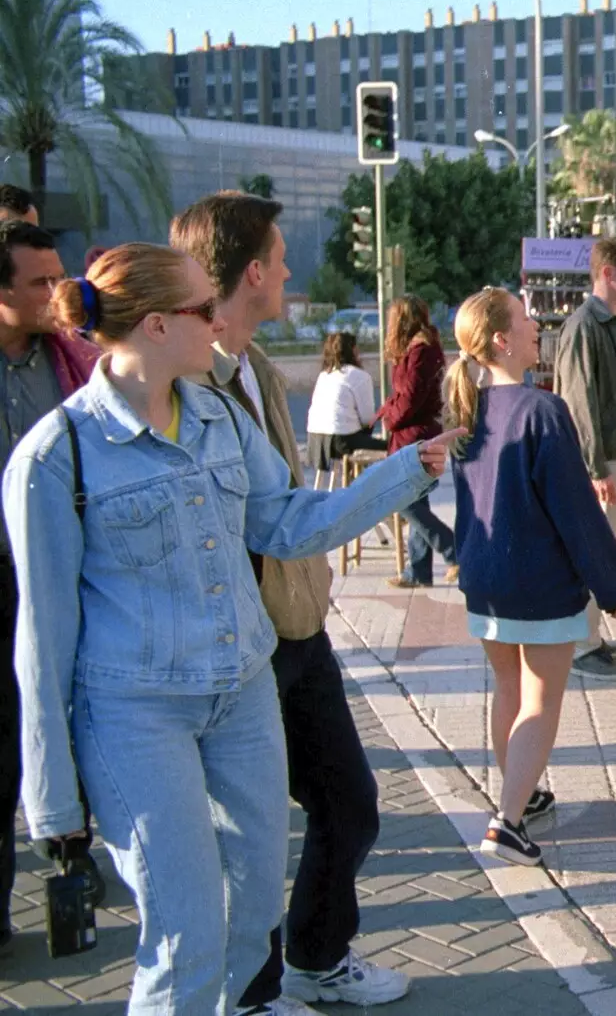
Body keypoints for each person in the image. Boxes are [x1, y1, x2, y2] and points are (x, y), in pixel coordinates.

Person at [4, 242, 458, 1014]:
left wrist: (407, 470)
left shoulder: (216, 414)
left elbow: (287, 521)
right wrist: (52, 804)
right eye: (198, 307)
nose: (216, 319)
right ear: (154, 326)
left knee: (252, 928)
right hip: (136, 716)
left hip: (243, 696)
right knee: (186, 940)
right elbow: (42, 641)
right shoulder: (57, 456)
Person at [171, 191, 410, 1013]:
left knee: (350, 803)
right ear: (252, 272)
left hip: (298, 631)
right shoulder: (185, 385)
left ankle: (315, 954)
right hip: (240, 649)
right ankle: (254, 988)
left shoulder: (259, 368)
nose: (291, 270)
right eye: (279, 255)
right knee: (247, 835)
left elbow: (289, 510)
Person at [445, 288, 616, 865]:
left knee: (509, 690)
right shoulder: (542, 411)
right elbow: (575, 512)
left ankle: (519, 801)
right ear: (502, 340)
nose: (538, 327)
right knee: (541, 700)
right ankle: (506, 821)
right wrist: (615, 589)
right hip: (540, 583)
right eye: (527, 320)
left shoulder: (466, 412)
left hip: (483, 577)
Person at [0, 221, 101, 948]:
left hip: (60, 579)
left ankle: (72, 851)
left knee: (62, 722)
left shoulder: (70, 360)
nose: (57, 292)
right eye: (40, 281)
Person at [552, 238, 616, 682]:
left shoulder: (609, 324)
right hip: (603, 459)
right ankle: (582, 644)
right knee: (599, 552)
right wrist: (594, 467)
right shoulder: (584, 326)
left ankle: (587, 637)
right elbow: (577, 402)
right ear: (607, 273)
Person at [377, 294, 457, 589]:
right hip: (417, 433)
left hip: (415, 436)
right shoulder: (420, 350)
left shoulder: (421, 351)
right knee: (415, 498)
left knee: (402, 499)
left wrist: (389, 418)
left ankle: (452, 548)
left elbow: (410, 399)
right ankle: (419, 571)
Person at [306, 331, 383, 476]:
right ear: (354, 350)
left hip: (315, 441)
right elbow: (367, 419)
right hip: (341, 441)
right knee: (393, 446)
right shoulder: (359, 376)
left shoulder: (324, 375)